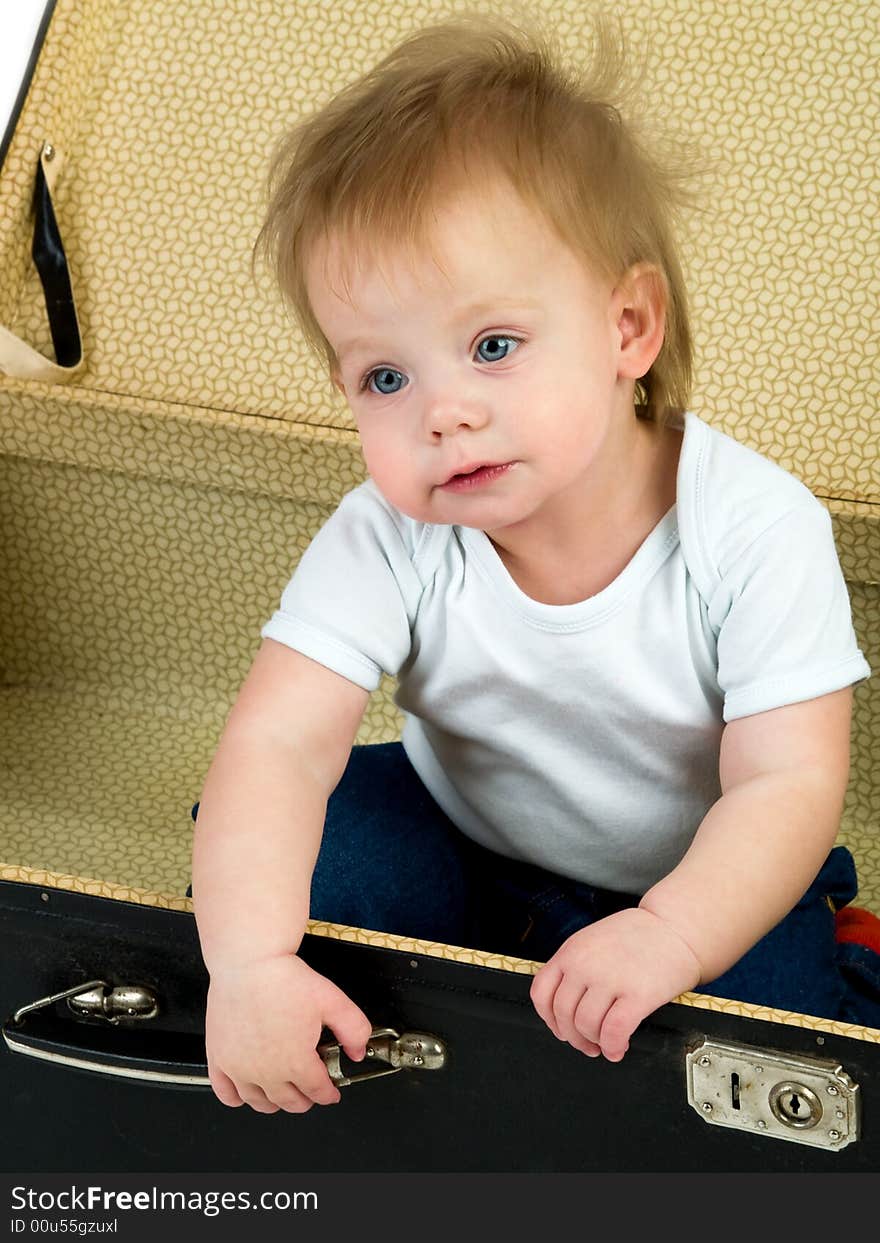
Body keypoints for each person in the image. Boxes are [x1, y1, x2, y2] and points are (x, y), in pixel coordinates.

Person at [190, 11, 874, 1115]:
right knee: (291, 866)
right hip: (467, 825)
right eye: (383, 378)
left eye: (492, 347)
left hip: (699, 865)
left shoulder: (753, 528)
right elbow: (276, 739)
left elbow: (787, 781)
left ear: (627, 327)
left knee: (789, 1019)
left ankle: (822, 952)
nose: (443, 415)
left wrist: (668, 930)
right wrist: (249, 964)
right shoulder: (388, 531)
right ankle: (463, 951)